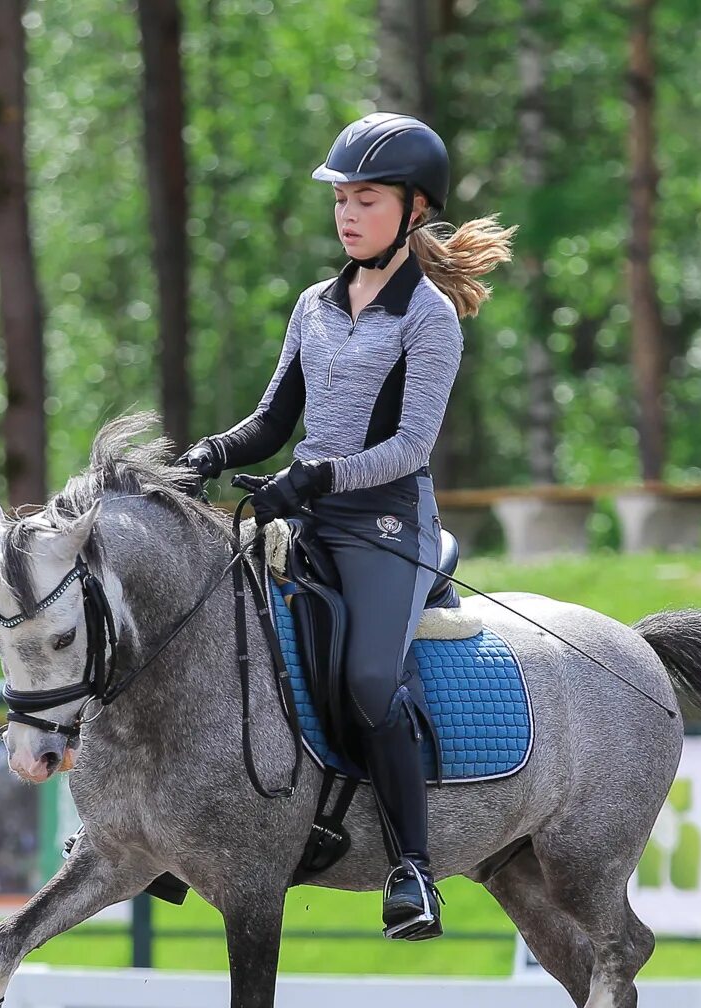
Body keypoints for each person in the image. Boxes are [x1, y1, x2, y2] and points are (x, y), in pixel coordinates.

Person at [177, 112, 515, 941]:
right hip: (303, 510)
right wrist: (205, 454)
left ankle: (413, 870)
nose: (348, 213)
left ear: (414, 209)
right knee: (201, 638)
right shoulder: (313, 305)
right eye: (342, 199)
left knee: (370, 682)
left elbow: (409, 447)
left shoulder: (429, 317)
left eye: (366, 198)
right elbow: (271, 421)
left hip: (387, 524)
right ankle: (164, 838)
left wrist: (319, 476)